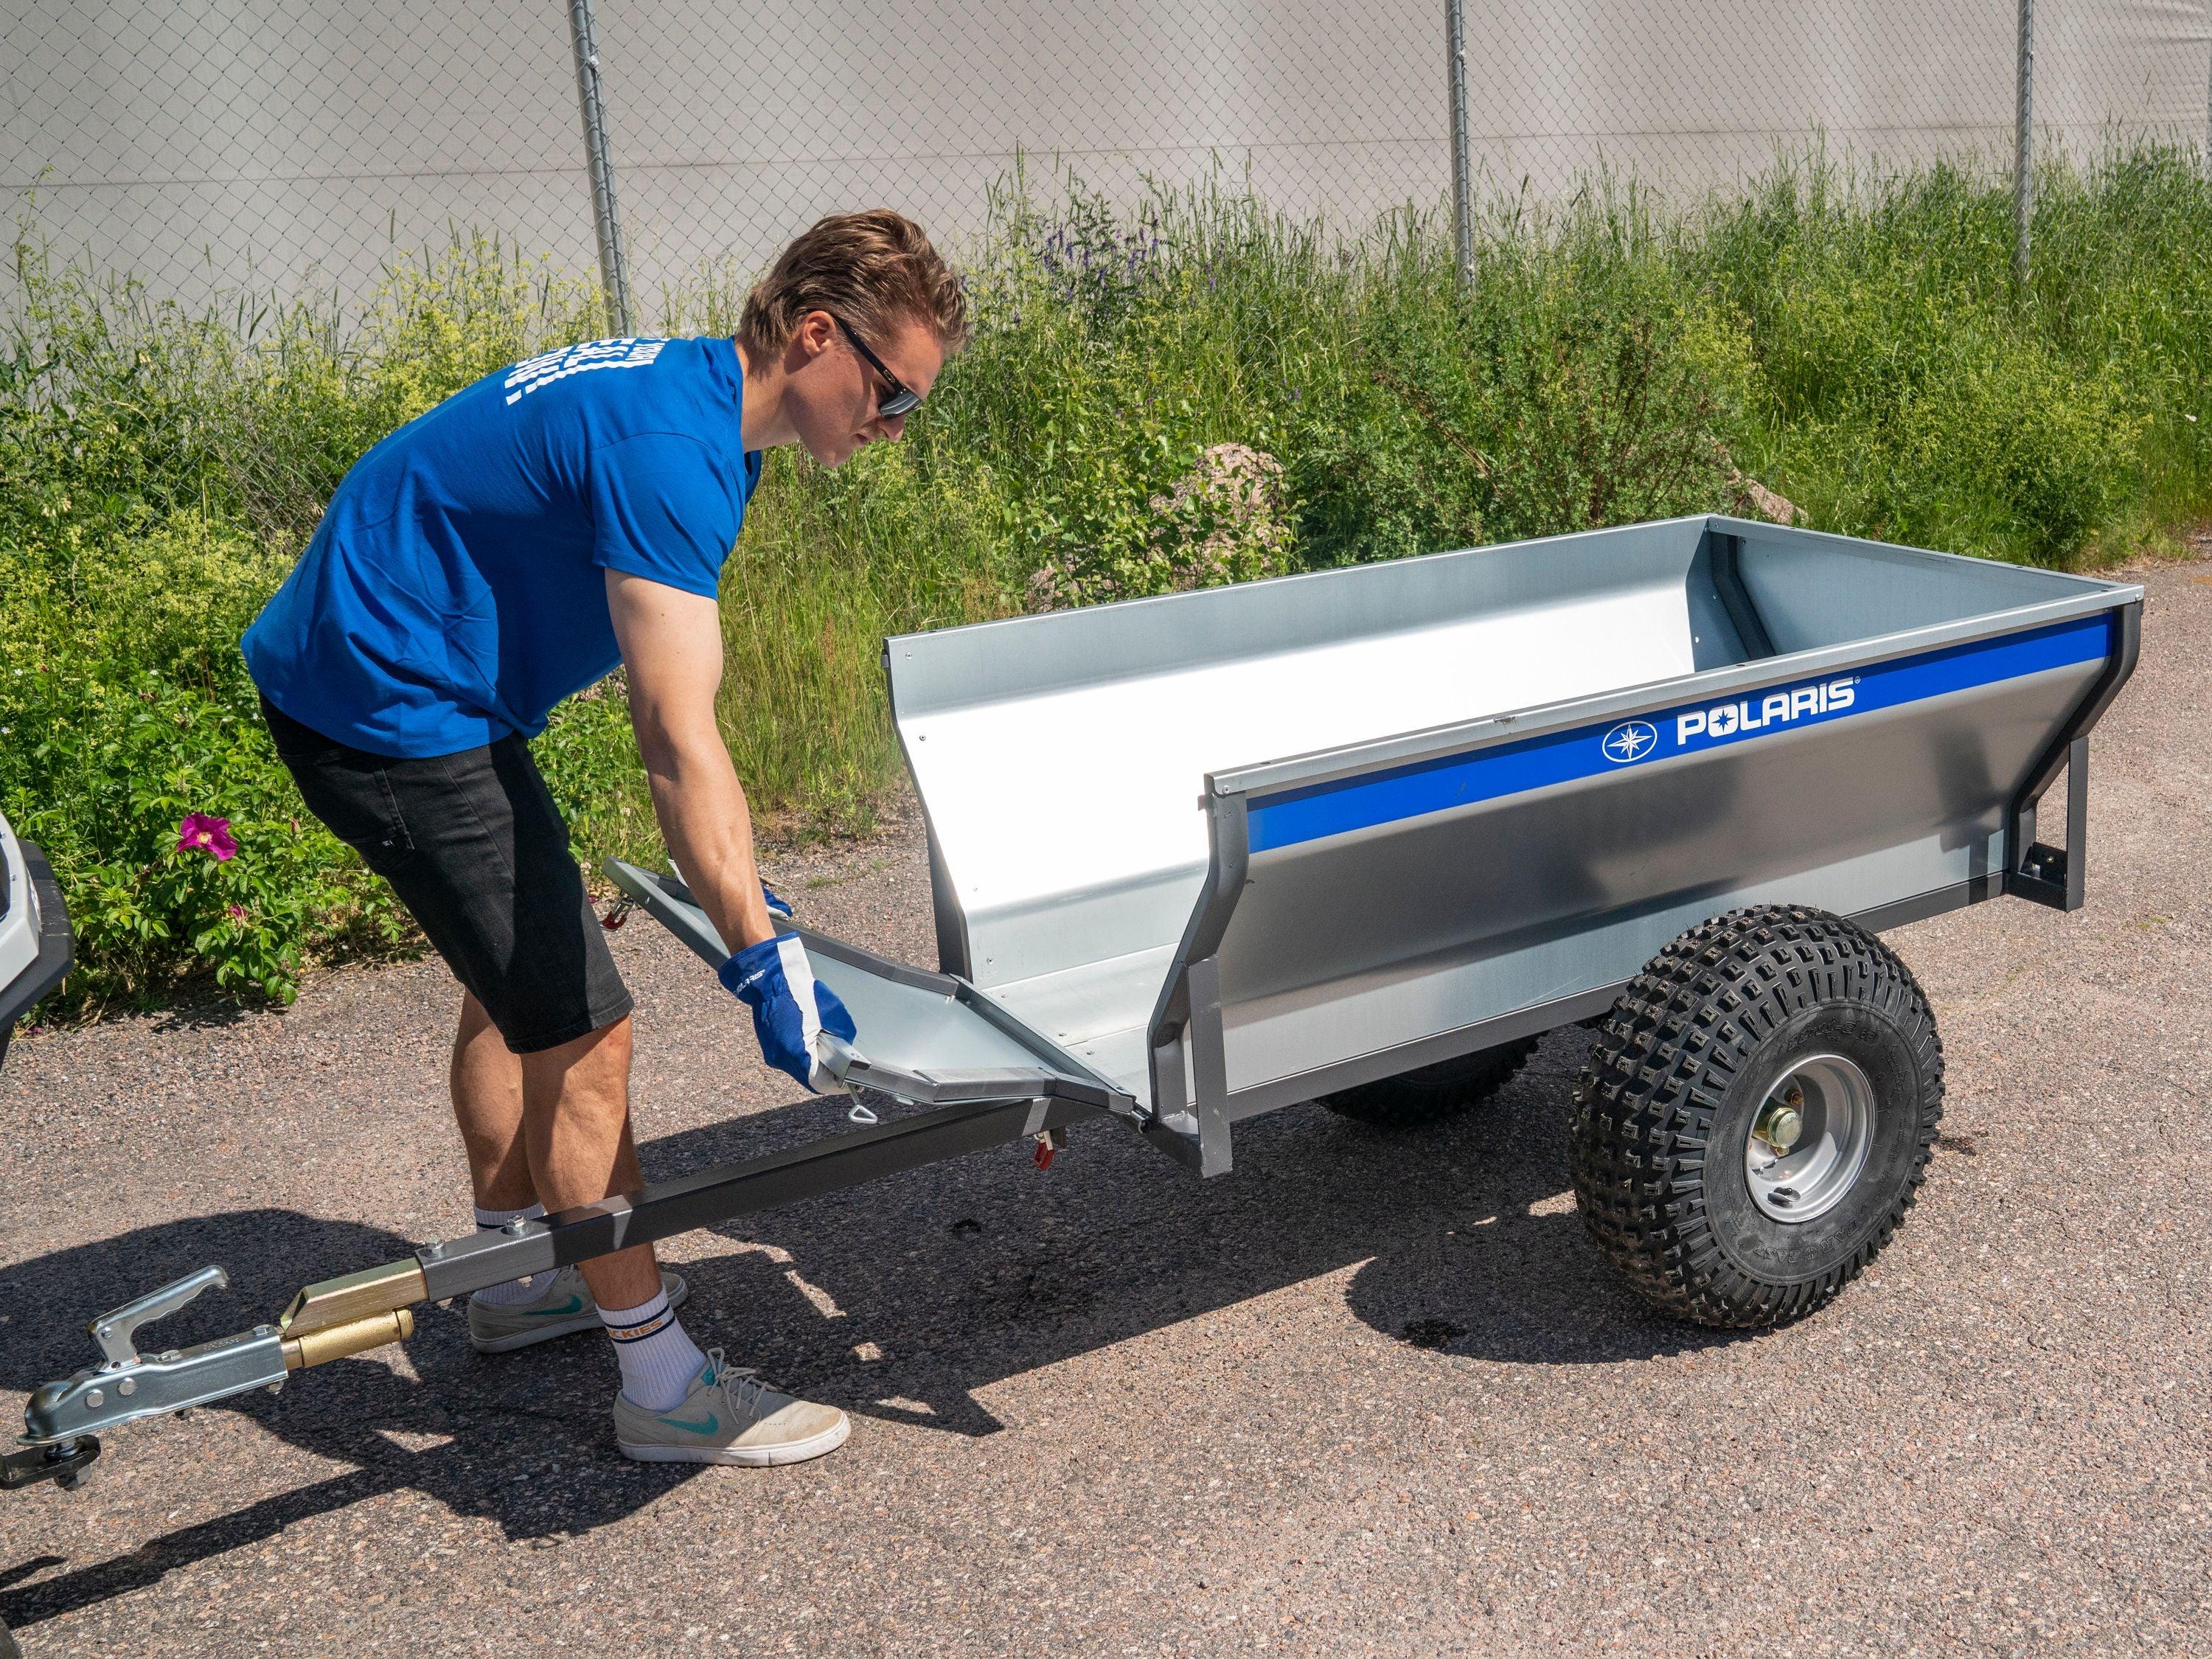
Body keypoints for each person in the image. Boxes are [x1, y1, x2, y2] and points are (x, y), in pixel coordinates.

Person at [240, 210, 965, 1467]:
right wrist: (758, 951)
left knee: (522, 968)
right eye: (892, 395)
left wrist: (731, 872)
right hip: (388, 701)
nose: (894, 430)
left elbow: (677, 715)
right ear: (815, 335)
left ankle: (522, 1277)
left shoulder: (702, 413)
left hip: (405, 671)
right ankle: (663, 1381)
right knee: (586, 1023)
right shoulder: (675, 452)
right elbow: (680, 741)